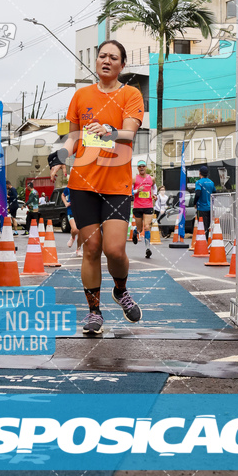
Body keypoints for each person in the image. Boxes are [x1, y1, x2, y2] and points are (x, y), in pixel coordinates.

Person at [49, 39, 144, 335]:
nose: (106, 60)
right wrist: (60, 157)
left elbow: (129, 134)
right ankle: (93, 313)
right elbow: (71, 135)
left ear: (122, 65)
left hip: (117, 185)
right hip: (83, 184)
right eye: (101, 55)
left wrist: (109, 131)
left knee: (114, 250)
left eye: (113, 57)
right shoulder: (81, 95)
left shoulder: (131, 94)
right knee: (91, 248)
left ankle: (121, 290)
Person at [132, 160, 157, 259]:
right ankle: (135, 232)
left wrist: (155, 194)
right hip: (137, 206)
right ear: (138, 168)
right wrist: (137, 191)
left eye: (143, 166)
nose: (141, 168)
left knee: (147, 227)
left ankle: (148, 248)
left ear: (146, 167)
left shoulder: (151, 179)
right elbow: (129, 191)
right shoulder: (134, 179)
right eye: (139, 166)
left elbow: (154, 188)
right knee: (140, 229)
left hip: (148, 205)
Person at [195, 165, 216, 240]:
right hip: (210, 207)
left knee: (202, 226)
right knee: (208, 226)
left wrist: (195, 203)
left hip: (201, 208)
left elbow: (197, 193)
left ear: (200, 173)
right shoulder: (211, 182)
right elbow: (214, 193)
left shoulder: (199, 182)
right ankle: (207, 242)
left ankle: (203, 243)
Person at [62, 180, 81, 255]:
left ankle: (78, 249)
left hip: (80, 211)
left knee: (80, 233)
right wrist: (66, 203)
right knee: (75, 229)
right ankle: (72, 237)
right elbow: (62, 195)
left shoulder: (83, 188)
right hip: (71, 210)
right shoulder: (69, 187)